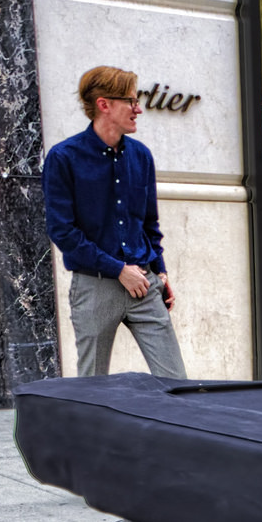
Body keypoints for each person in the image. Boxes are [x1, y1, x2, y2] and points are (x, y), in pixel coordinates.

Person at [43, 66, 186, 379]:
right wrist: (118, 270)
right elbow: (62, 232)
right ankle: (88, 431)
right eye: (131, 101)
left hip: (144, 284)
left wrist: (160, 272)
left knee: (175, 382)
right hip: (95, 287)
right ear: (104, 104)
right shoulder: (64, 157)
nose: (138, 109)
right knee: (92, 385)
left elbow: (149, 224)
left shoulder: (142, 156)